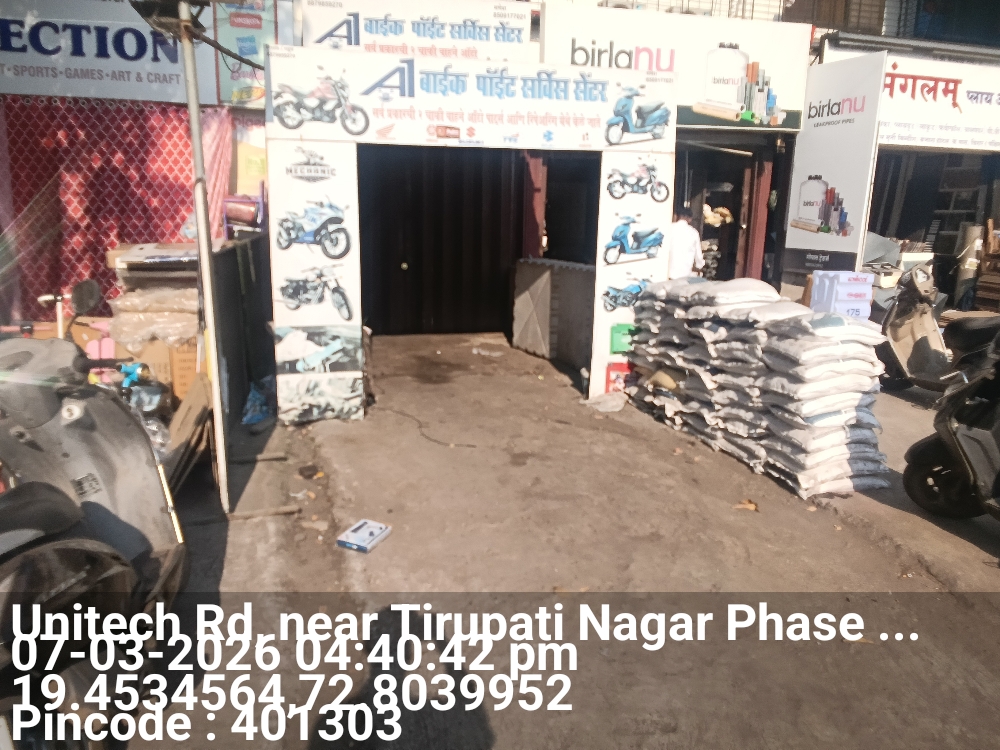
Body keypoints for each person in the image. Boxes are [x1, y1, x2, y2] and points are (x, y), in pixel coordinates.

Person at [668, 207, 705, 279]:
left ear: (677, 216)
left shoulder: (669, 228)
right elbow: (698, 256)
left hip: (668, 273)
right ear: (690, 219)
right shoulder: (693, 232)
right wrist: (699, 266)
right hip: (685, 274)